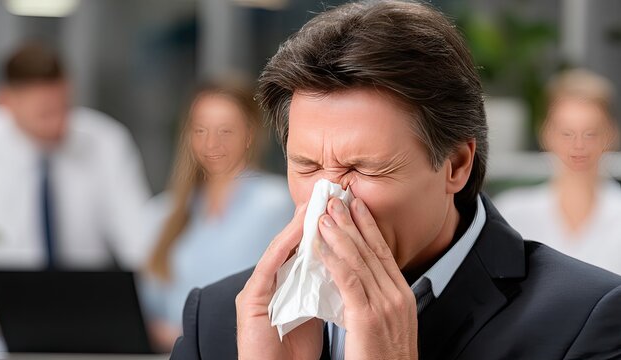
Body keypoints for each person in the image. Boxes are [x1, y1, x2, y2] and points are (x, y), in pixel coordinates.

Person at [170, 2, 621, 359]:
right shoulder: (217, 319)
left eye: (364, 169)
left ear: (457, 166)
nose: (329, 201)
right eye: (306, 166)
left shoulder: (585, 319)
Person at [140, 82, 295, 351]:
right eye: (201, 130)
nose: (212, 143)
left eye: (226, 130)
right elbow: (148, 307)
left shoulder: (276, 204)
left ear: (250, 134)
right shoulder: (162, 213)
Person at [0, 43, 151, 273]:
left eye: (64, 107)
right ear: (5, 102)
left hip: (87, 298)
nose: (59, 123)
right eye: (45, 113)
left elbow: (138, 239)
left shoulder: (106, 142)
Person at [496, 69, 621, 275]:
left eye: (590, 133)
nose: (578, 145)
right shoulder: (511, 215)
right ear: (546, 134)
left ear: (611, 135)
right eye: (566, 133)